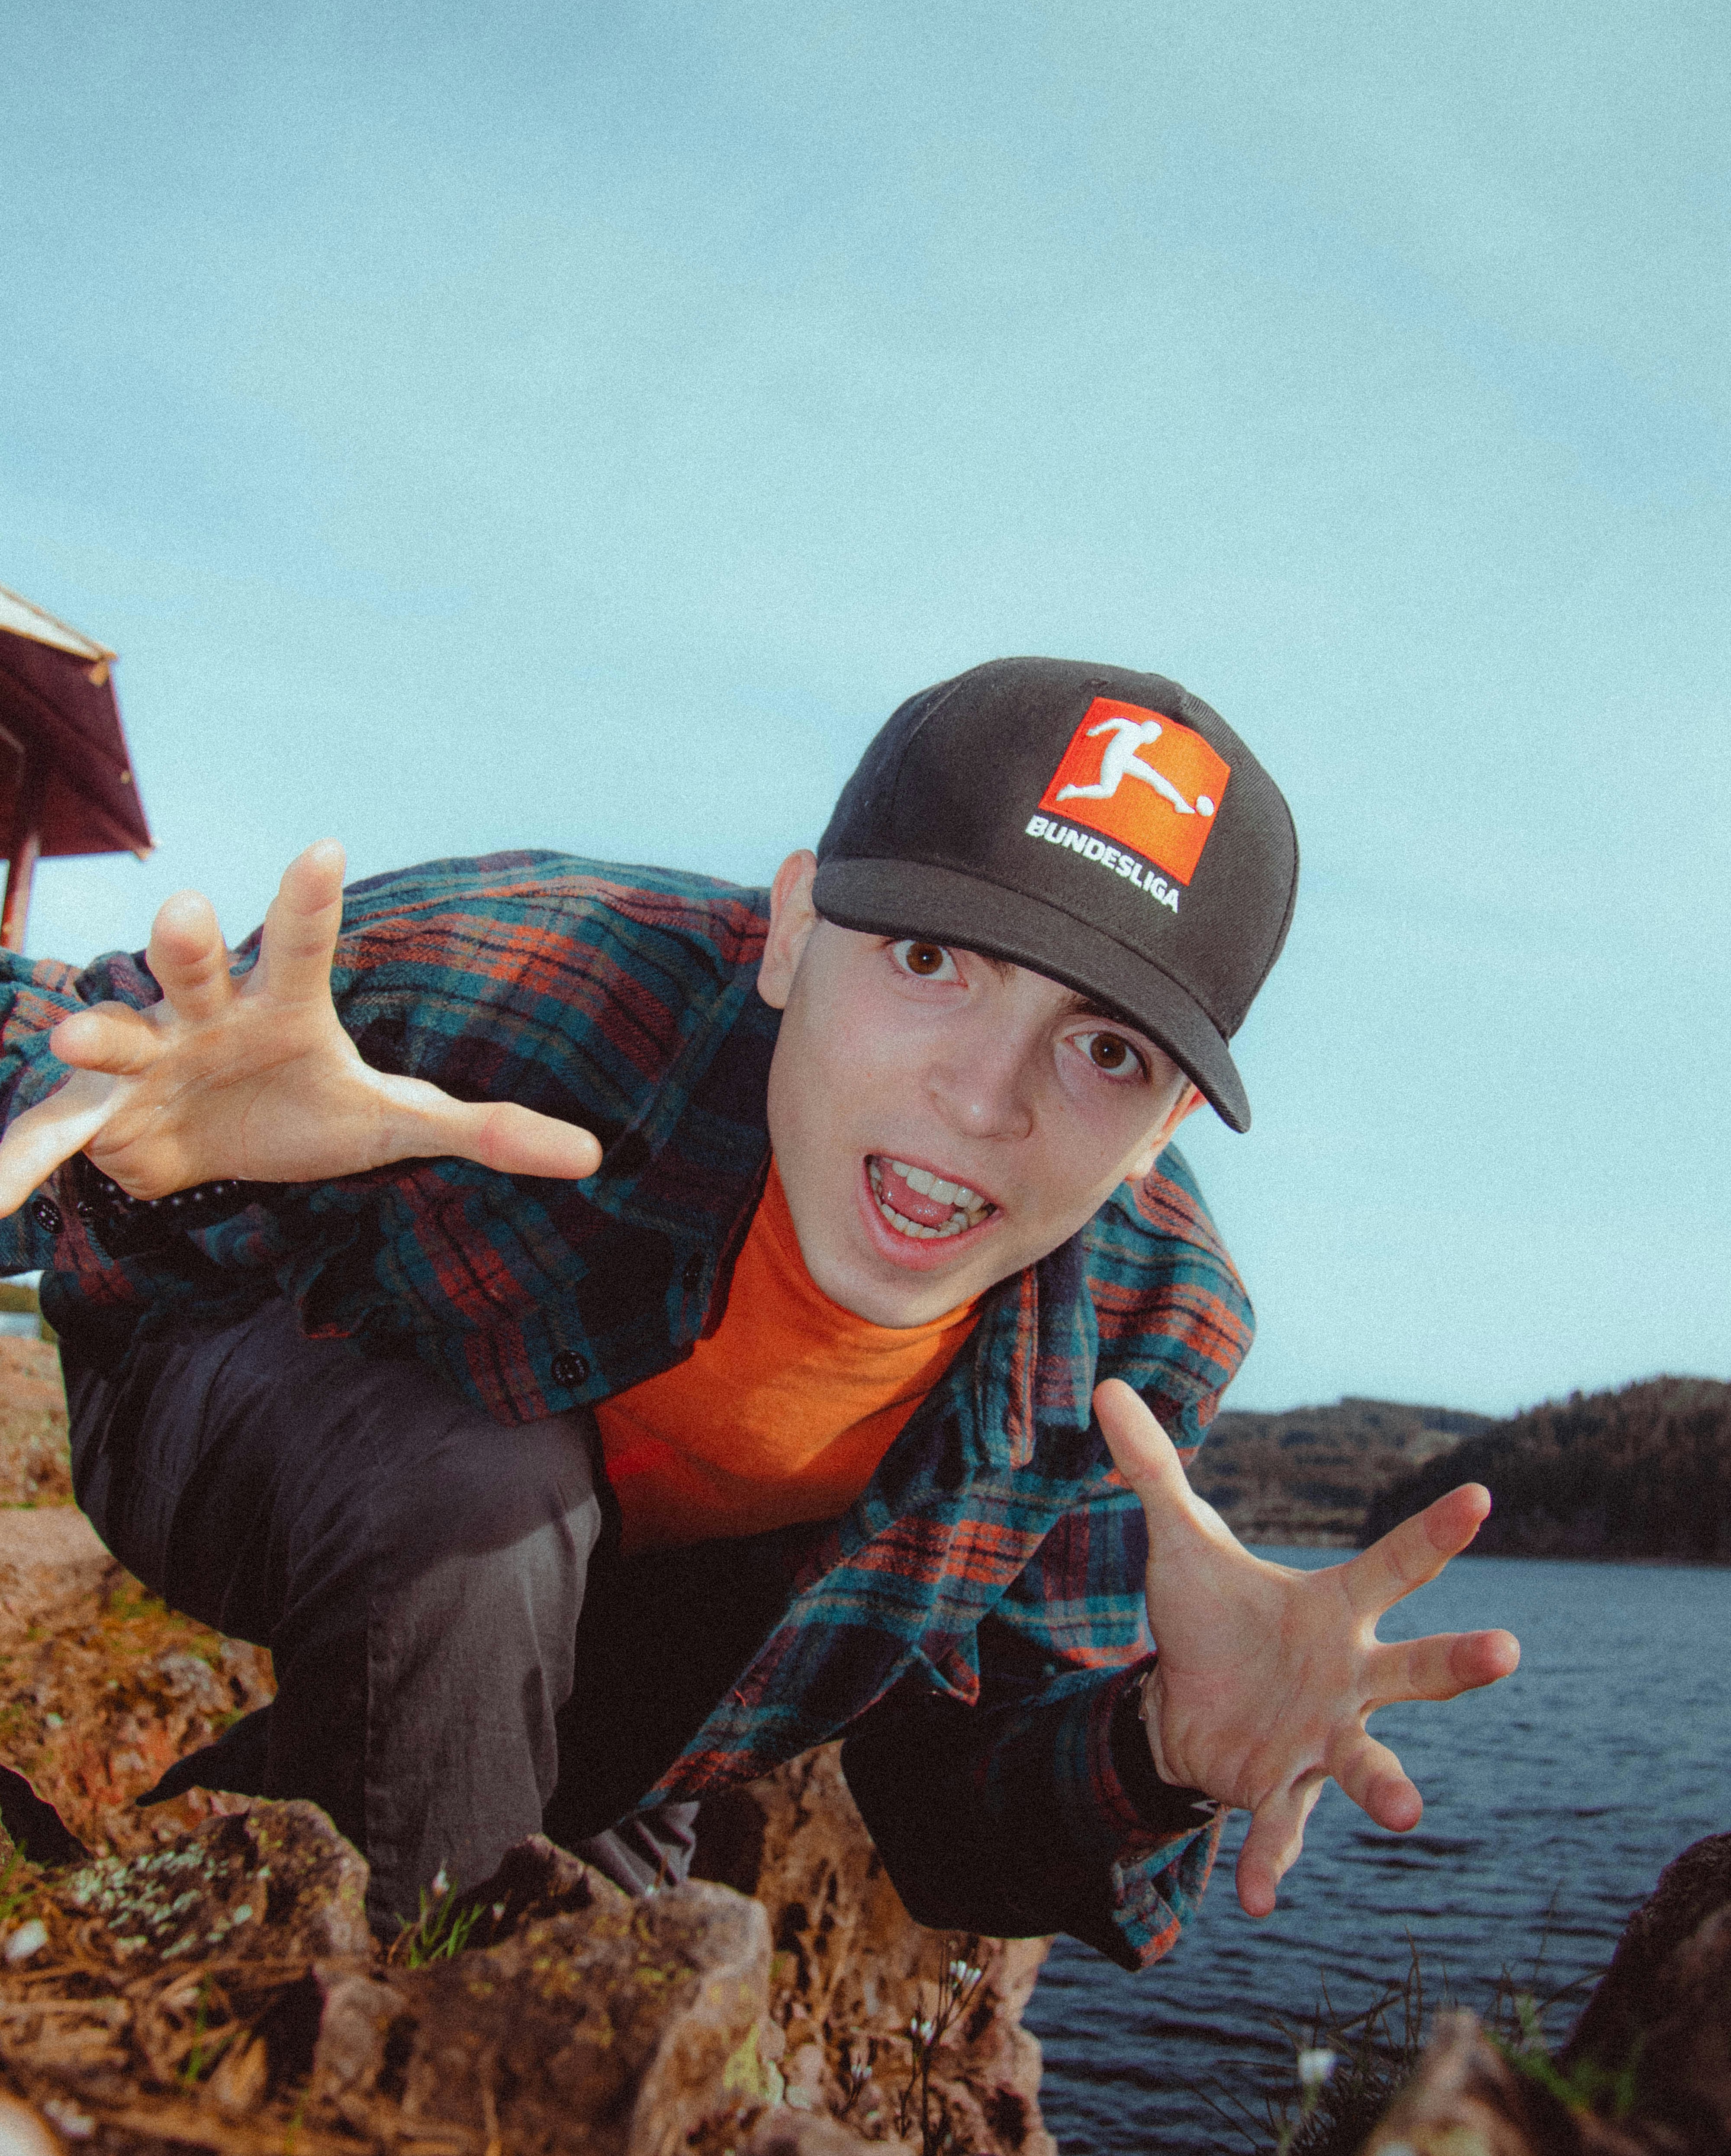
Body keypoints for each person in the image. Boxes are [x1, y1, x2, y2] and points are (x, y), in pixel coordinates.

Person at [0, 657, 1517, 1963]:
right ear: (795, 929)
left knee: (615, 1939)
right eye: (932, 962)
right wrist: (139, 1162)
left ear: (1167, 1125)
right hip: (239, 1406)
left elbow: (948, 1823)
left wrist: (1162, 1745)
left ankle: (207, 1856)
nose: (982, 1098)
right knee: (486, 1494)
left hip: (636, 1652)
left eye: (1106, 1051)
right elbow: (68, 1034)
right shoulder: (551, 973)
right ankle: (394, 2072)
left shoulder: (1141, 1329)